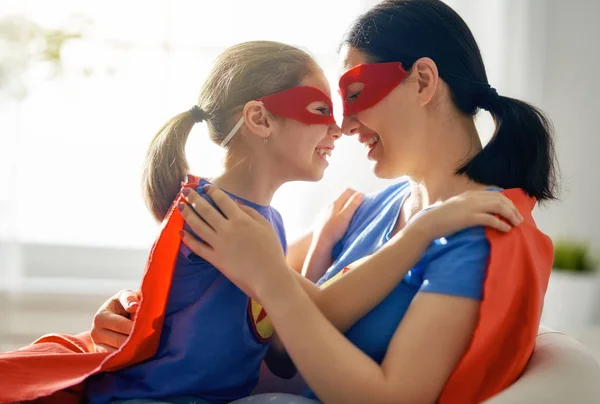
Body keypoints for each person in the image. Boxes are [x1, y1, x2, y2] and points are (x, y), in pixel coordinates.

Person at [92, 0, 558, 402]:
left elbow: (284, 293)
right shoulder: (365, 209)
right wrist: (134, 312)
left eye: (355, 94)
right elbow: (233, 293)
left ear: (423, 81)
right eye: (330, 106)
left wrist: (272, 280)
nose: (345, 124)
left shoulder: (478, 231)